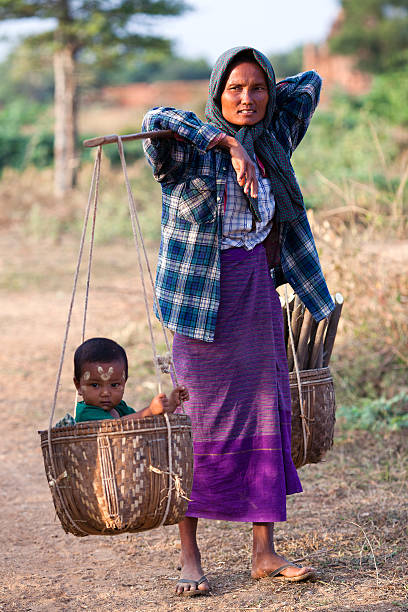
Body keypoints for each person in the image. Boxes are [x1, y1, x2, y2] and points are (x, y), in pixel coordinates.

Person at [142, 46, 335, 596]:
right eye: (233, 89)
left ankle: (263, 552)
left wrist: (255, 132)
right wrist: (225, 142)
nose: (246, 99)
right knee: (198, 423)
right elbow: (154, 117)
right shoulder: (186, 153)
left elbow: (311, 82)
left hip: (256, 299)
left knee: (265, 414)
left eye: (256, 88)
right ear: (215, 95)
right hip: (202, 306)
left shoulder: (276, 141)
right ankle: (189, 556)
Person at [73, 337, 189, 422]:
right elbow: (114, 428)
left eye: (114, 385)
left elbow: (142, 423)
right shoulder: (85, 413)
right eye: (95, 385)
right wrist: (149, 411)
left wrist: (170, 405)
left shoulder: (120, 407)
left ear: (124, 382)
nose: (105, 393)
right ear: (78, 386)